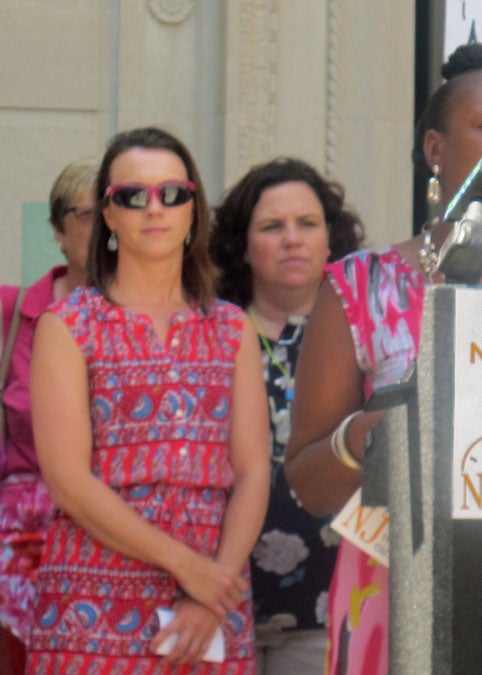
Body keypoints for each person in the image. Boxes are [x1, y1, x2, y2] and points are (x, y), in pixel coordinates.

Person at [283, 43, 482, 675]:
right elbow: (309, 481)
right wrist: (377, 431)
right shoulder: (360, 286)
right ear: (435, 148)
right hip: (397, 589)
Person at [26, 127, 270, 672]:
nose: (154, 208)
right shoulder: (67, 327)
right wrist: (189, 568)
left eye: (173, 193)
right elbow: (68, 482)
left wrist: (213, 587)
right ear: (108, 217)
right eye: (132, 196)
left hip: (212, 603)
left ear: (193, 209)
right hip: (93, 604)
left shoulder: (232, 328)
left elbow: (253, 471)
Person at [210, 157, 365, 673]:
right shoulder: (208, 333)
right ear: (243, 246)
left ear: (330, 240)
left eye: (308, 224)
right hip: (218, 601)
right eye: (272, 227)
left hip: (331, 603)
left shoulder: (365, 337)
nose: (292, 239)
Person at [0, 158, 96, 673]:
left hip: (115, 538)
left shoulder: (156, 318)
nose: (106, 226)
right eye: (88, 215)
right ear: (58, 231)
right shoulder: (12, 312)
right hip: (20, 547)